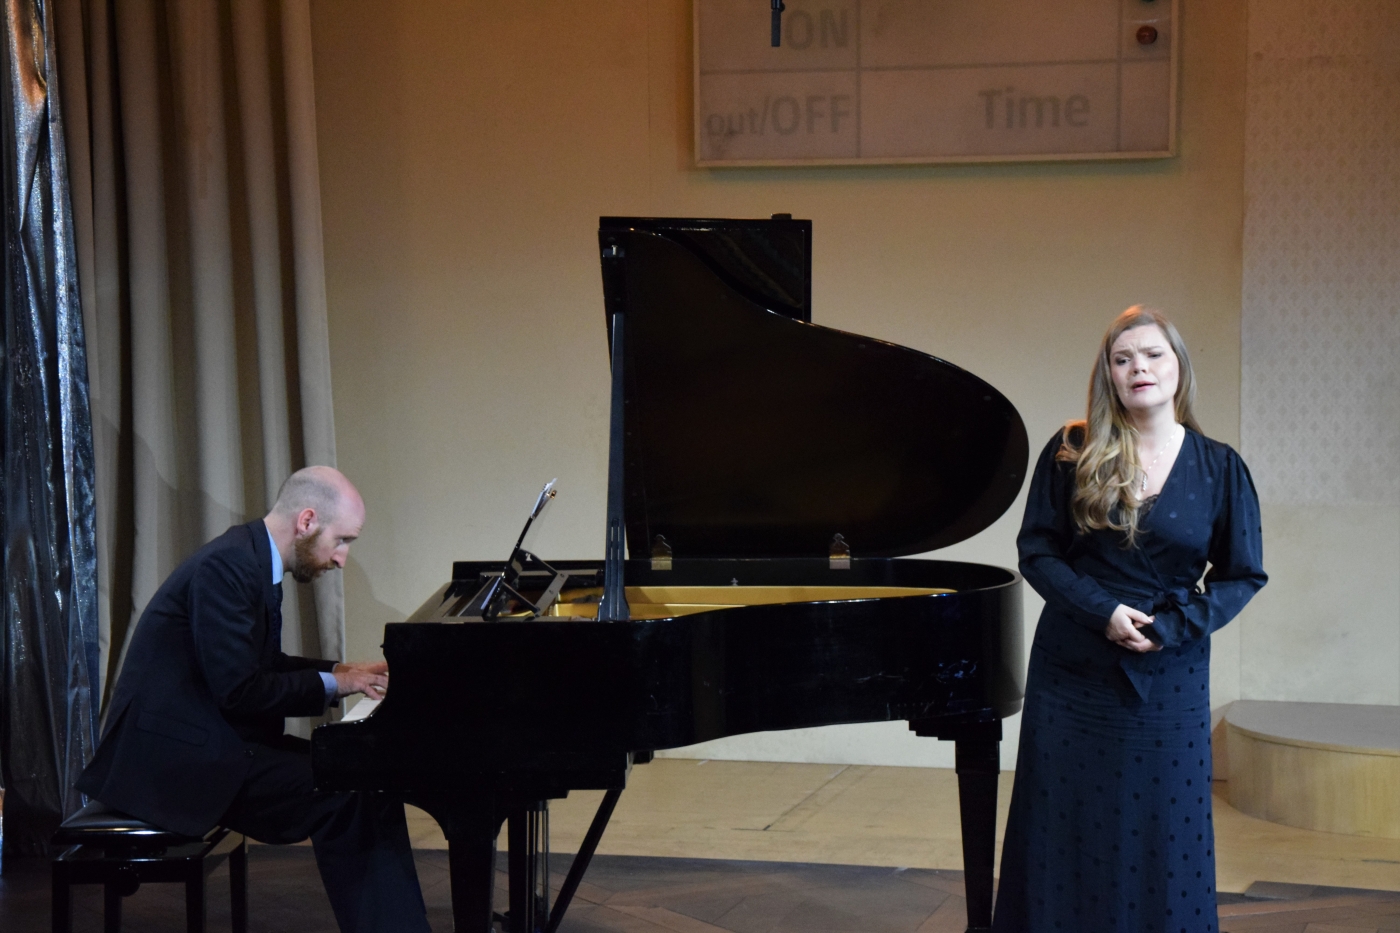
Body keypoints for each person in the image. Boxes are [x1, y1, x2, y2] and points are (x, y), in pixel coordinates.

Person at [991, 307, 1267, 933]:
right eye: (1123, 359)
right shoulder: (1071, 450)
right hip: (1073, 669)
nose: (1138, 367)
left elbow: (1242, 575)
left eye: (1152, 355)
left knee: (1163, 827)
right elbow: (1036, 551)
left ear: (1179, 369)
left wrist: (1173, 626)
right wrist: (1102, 611)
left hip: (1169, 672)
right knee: (1063, 819)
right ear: (1108, 375)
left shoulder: (1220, 467)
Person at [78, 466, 429, 933]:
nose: (342, 558)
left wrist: (339, 671)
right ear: (307, 521)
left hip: (210, 742)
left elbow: (259, 664)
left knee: (360, 776)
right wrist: (336, 685)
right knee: (346, 793)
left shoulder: (249, 558)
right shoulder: (228, 567)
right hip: (172, 764)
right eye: (342, 540)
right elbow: (240, 689)